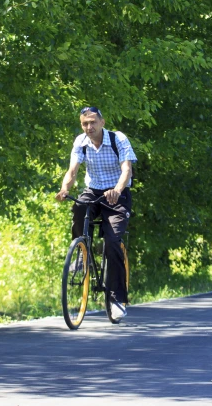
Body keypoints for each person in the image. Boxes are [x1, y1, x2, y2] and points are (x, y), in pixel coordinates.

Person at [56, 106, 137, 321]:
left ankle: (116, 298)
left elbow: (126, 169)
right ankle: (82, 255)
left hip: (117, 194)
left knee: (112, 242)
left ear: (102, 122)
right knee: (78, 207)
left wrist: (117, 190)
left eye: (93, 122)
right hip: (93, 191)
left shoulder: (117, 139)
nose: (89, 127)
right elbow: (72, 171)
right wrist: (65, 188)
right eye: (85, 124)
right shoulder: (80, 142)